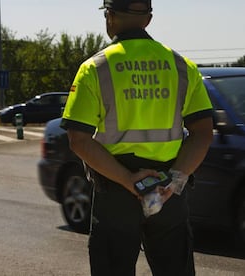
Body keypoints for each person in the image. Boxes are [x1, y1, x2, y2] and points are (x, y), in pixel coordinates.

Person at [60, 0, 214, 275]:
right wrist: (175, 180)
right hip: (167, 193)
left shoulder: (95, 69)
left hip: (116, 194)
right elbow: (203, 132)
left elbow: (78, 139)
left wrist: (128, 180)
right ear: (148, 19)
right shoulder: (182, 67)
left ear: (110, 17)